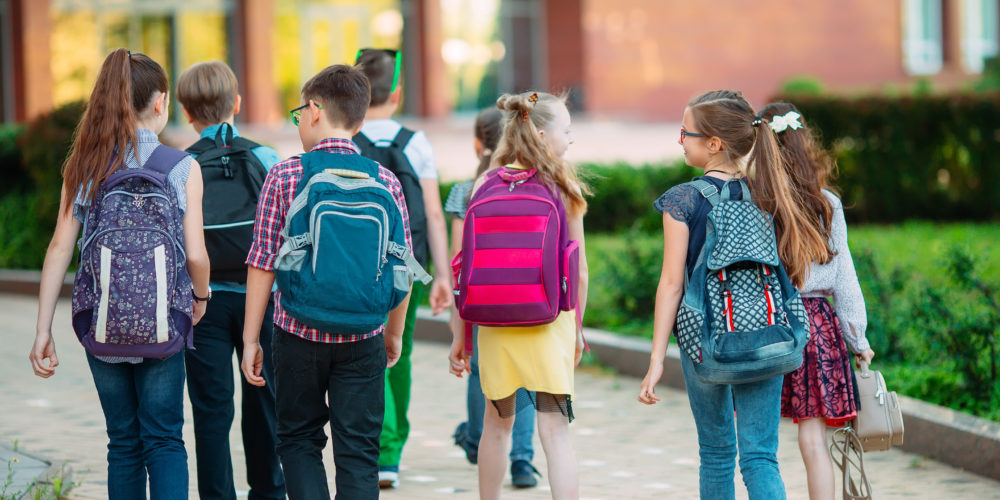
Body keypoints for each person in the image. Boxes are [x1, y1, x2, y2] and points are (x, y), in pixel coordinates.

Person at [30, 48, 210, 500]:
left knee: (123, 443)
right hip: (163, 319)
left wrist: (42, 329)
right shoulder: (183, 167)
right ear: (160, 102)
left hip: (104, 320)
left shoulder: (85, 166)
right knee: (165, 439)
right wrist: (201, 298)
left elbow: (59, 248)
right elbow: (195, 256)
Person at [639, 90, 829, 499]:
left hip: (704, 339)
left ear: (713, 144)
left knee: (717, 453)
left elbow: (671, 283)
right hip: (768, 335)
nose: (679, 140)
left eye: (684, 132)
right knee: (761, 456)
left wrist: (656, 360)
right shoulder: (770, 194)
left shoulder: (684, 200)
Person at [239, 64, 412, 500]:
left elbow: (262, 262)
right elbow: (402, 269)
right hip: (364, 334)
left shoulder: (285, 175)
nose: (298, 121)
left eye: (299, 113)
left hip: (297, 332)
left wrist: (251, 340)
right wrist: (394, 335)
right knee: (358, 452)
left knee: (299, 440)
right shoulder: (386, 181)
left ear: (314, 111)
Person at [449, 91, 590, 500]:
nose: (571, 139)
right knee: (555, 432)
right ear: (543, 135)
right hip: (549, 322)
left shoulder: (484, 183)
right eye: (566, 130)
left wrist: (462, 336)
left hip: (494, 325)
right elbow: (578, 269)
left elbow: (465, 267)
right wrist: (577, 328)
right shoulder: (563, 185)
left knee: (496, 428)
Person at [175, 60, 285, 500]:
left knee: (210, 409)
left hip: (204, 302)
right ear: (237, 103)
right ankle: (269, 493)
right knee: (265, 401)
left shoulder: (181, 166)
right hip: (264, 298)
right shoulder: (266, 158)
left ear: (185, 112)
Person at [759, 102, 876, 500]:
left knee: (758, 441)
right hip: (817, 326)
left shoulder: (756, 202)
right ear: (803, 143)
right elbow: (846, 277)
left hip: (771, 323)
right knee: (813, 440)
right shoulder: (826, 202)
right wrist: (858, 339)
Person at [353, 47, 453, 489]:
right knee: (400, 351)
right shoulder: (415, 142)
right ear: (396, 91)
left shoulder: (345, 138)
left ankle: (375, 444)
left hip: (354, 266)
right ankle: (391, 452)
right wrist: (443, 278)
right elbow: (433, 213)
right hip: (406, 268)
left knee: (366, 350)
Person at [445, 107, 540, 488]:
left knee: (481, 372)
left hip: (486, 300)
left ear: (477, 143)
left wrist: (458, 324)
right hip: (530, 296)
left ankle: (476, 441)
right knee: (527, 378)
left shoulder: (466, 191)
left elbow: (458, 264)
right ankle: (522, 460)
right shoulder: (537, 184)